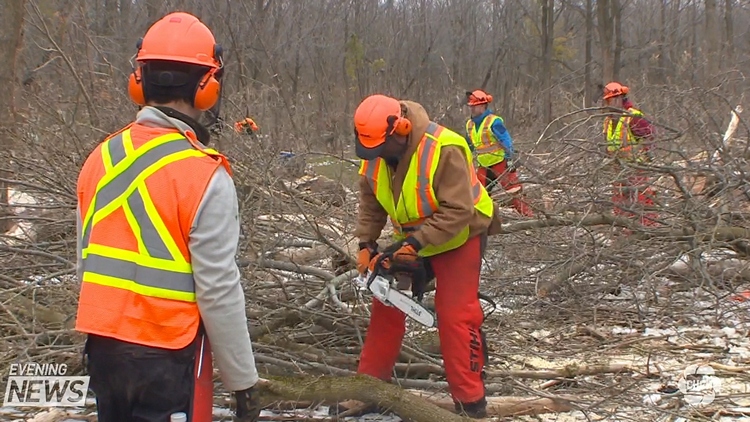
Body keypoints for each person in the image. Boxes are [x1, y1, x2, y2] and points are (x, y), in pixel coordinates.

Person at [74, 12, 261, 422]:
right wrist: (242, 381)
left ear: (139, 80)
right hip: (167, 354)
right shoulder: (205, 174)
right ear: (207, 87)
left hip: (103, 349)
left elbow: (85, 262)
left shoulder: (100, 158)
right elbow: (218, 289)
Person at [349, 94, 497, 418]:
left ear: (400, 130)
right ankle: (368, 388)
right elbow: (371, 201)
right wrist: (366, 243)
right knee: (385, 298)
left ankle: (470, 402)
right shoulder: (374, 152)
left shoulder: (445, 147)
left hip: (461, 233)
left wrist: (414, 246)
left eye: (381, 151)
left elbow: (459, 210)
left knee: (456, 314)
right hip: (413, 235)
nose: (377, 157)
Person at [464, 89, 533, 217]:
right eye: (471, 106)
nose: (472, 109)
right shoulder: (470, 124)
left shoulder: (493, 122)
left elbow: (505, 139)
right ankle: (482, 218)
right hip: (484, 164)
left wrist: (510, 157)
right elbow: (469, 145)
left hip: (500, 162)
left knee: (514, 190)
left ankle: (528, 216)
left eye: (475, 106)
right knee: (478, 193)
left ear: (483, 106)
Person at [601, 81, 658, 227]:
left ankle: (648, 229)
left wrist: (645, 157)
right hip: (618, 170)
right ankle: (623, 231)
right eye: (608, 100)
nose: (610, 104)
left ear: (621, 99)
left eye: (612, 99)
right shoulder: (608, 121)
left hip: (636, 167)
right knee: (620, 203)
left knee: (641, 201)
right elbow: (608, 145)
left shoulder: (633, 117)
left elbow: (650, 137)